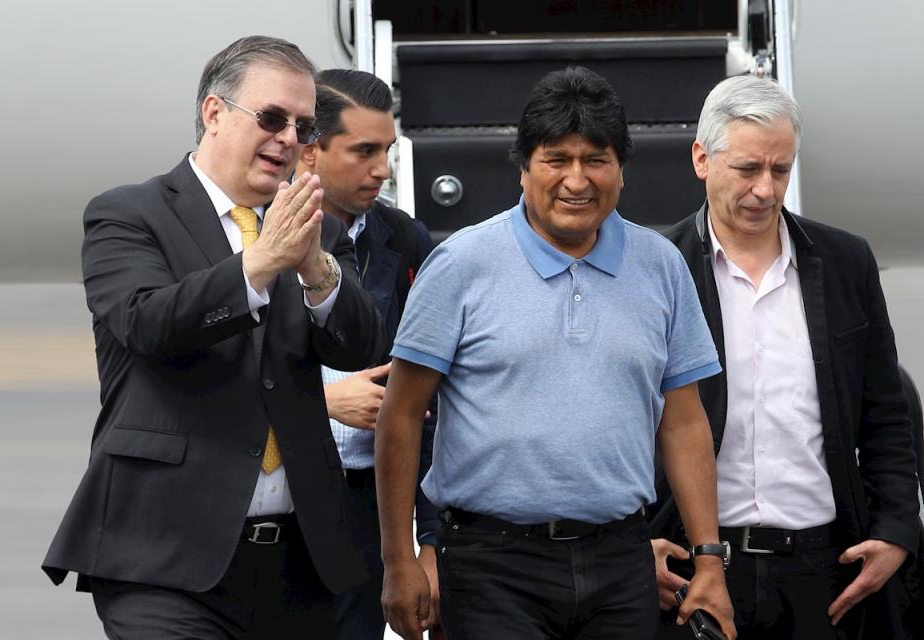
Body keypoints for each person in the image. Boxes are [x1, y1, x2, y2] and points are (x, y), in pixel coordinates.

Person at [375, 65, 737, 640]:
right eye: (556, 159)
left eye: (596, 160)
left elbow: (684, 421)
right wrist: (400, 559)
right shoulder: (460, 264)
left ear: (622, 170)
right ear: (523, 167)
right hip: (490, 566)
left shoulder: (662, 266)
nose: (577, 179)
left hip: (622, 561)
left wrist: (709, 559)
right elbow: (400, 414)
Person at [42, 36, 386, 639]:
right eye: (272, 118)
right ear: (215, 113)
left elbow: (358, 345)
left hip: (300, 566)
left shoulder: (315, 228)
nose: (289, 139)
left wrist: (316, 270)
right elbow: (148, 324)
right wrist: (262, 262)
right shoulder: (130, 213)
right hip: (165, 559)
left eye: (304, 127)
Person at [650, 74, 923, 639]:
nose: (765, 190)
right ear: (702, 159)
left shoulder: (846, 263)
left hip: (824, 573)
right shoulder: (657, 268)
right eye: (747, 169)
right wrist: (632, 543)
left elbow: (886, 413)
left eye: (781, 170)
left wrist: (897, 531)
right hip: (692, 568)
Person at [292, 68, 438, 640]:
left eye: (388, 151)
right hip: (277, 496)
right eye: (364, 152)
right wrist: (323, 402)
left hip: (365, 505)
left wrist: (429, 540)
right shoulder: (251, 233)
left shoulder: (404, 239)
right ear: (309, 151)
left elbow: (431, 398)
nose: (384, 170)